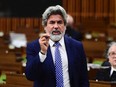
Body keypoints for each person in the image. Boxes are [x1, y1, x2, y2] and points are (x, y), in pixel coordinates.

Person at [25, 5, 89, 87]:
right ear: (45, 26)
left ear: (65, 26)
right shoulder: (34, 46)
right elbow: (30, 76)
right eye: (52, 22)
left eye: (59, 22)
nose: (56, 26)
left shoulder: (77, 46)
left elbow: (83, 79)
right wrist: (42, 53)